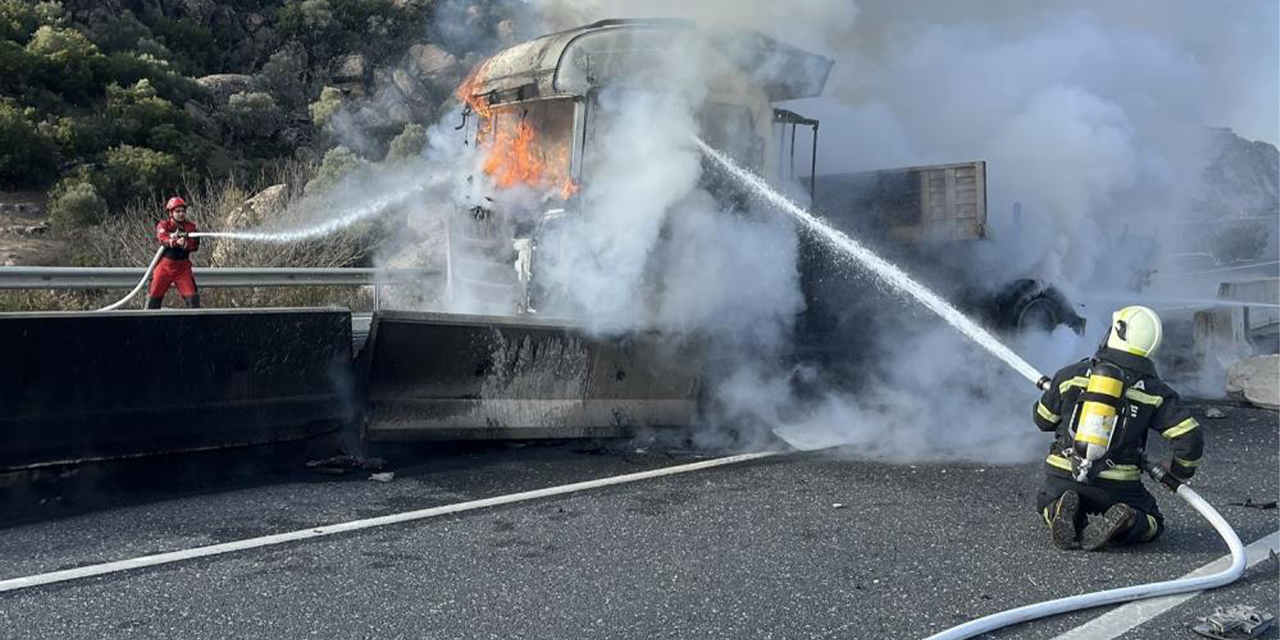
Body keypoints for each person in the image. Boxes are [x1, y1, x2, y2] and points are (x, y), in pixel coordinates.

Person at [1033, 306, 1203, 551]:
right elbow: (1190, 437)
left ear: (1116, 333)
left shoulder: (1072, 375)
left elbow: (1042, 420)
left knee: (1047, 500)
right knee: (1154, 521)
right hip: (1117, 486)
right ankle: (1127, 519)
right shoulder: (1156, 392)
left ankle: (1059, 508)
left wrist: (1059, 395)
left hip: (1064, 476)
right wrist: (1179, 471)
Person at [147, 196, 201, 309]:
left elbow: (195, 245)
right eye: (178, 211)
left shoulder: (190, 227)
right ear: (171, 212)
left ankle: (194, 325)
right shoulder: (164, 225)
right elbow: (162, 238)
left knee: (193, 301)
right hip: (164, 268)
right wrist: (175, 241)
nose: (181, 214)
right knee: (153, 301)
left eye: (183, 211)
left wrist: (186, 244)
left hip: (182, 268)